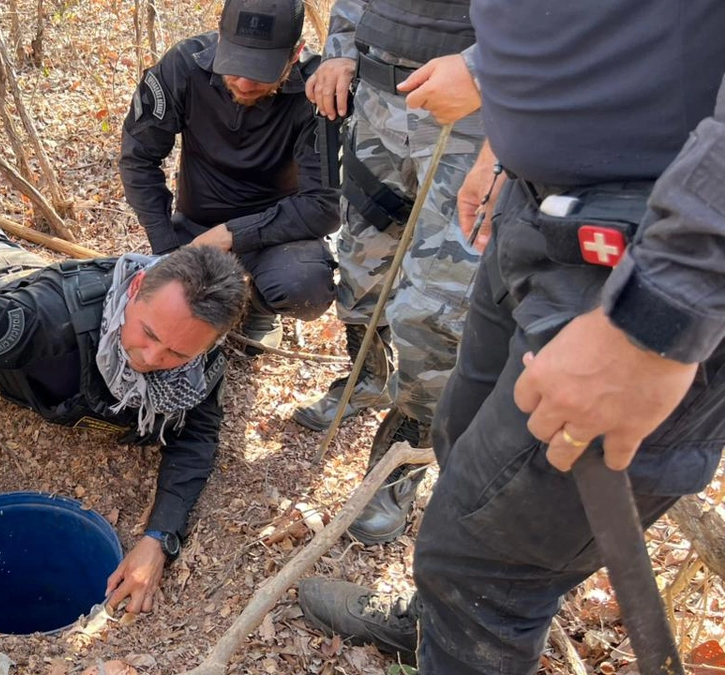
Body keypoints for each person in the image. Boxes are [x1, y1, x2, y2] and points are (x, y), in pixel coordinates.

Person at [297, 2, 725, 672]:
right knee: (459, 442)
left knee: (480, 567)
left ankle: (457, 622)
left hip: (651, 253)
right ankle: (433, 626)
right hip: (538, 206)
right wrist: (507, 129)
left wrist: (669, 302)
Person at [0, 169, 249, 615]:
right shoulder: (46, 319)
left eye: (176, 353)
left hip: (27, 274)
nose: (150, 358)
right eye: (147, 333)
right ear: (134, 289)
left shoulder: (200, 362)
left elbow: (196, 440)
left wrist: (158, 538)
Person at [291, 0, 486, 546]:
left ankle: (405, 452)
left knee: (433, 308)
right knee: (360, 258)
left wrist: (486, 68)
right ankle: (368, 377)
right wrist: (341, 49)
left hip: (474, 117)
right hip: (376, 94)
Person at [118, 0, 339, 351]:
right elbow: (138, 159)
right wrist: (167, 250)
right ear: (221, 41)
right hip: (195, 223)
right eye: (235, 65)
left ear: (295, 54)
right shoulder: (183, 67)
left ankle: (260, 310)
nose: (244, 82)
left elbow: (324, 206)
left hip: (276, 232)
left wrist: (232, 234)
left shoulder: (317, 91)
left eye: (261, 70)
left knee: (305, 289)